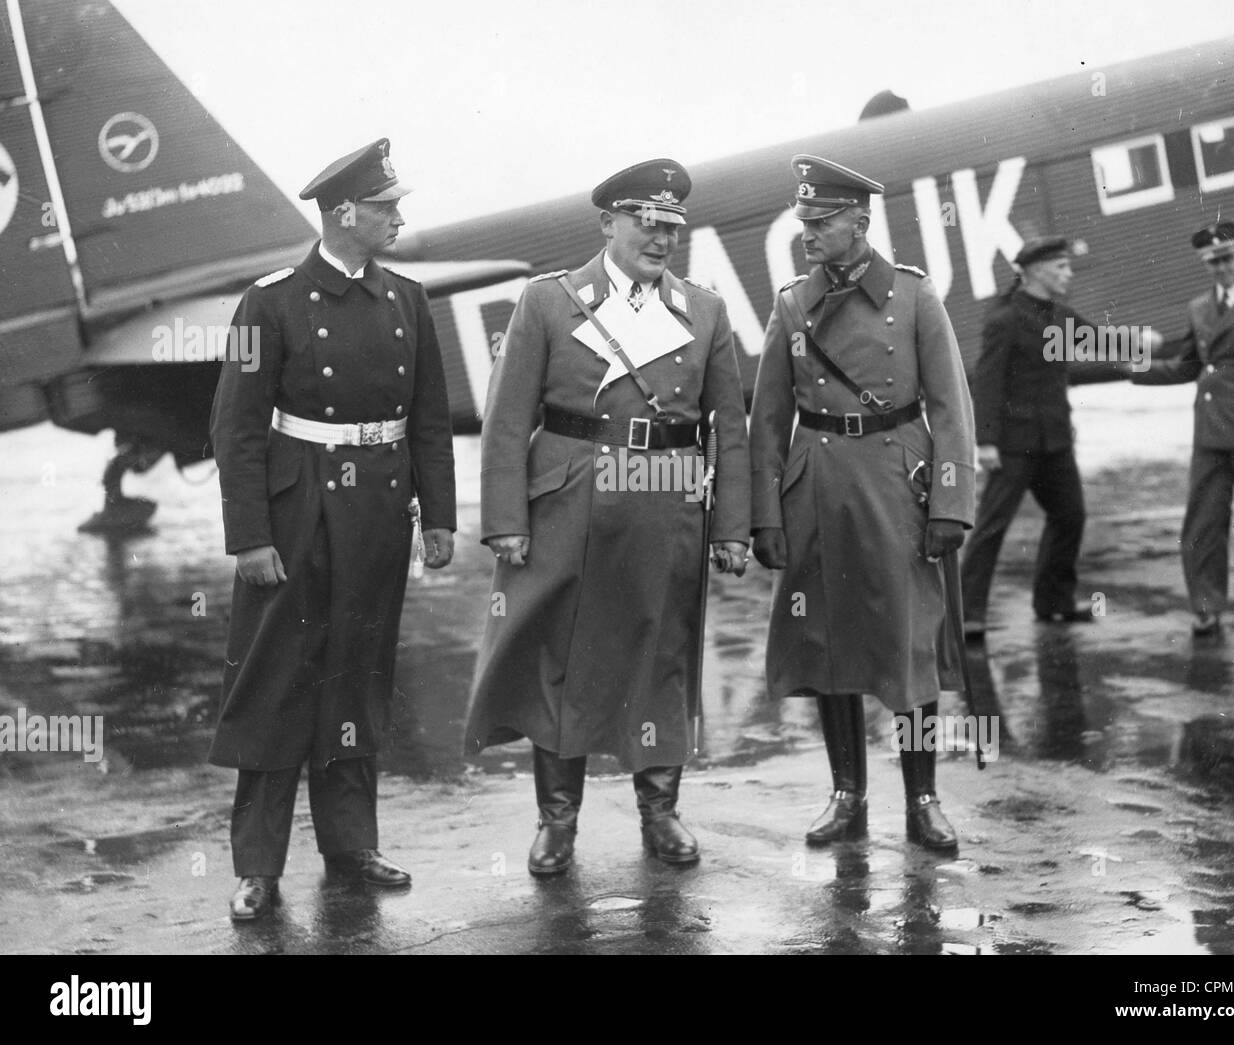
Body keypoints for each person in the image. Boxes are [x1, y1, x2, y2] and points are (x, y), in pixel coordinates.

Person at [464, 158, 750, 876]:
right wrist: (507, 516)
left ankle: (660, 812)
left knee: (664, 655)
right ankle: (558, 821)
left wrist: (734, 527)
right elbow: (506, 420)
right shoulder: (549, 302)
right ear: (608, 224)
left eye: (671, 227)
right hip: (570, 500)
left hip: (668, 499)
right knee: (560, 658)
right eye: (644, 223)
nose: (659, 239)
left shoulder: (705, 311)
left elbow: (730, 428)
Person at [208, 139, 457, 921]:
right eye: (386, 207)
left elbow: (428, 417)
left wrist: (440, 517)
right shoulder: (268, 302)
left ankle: (351, 845)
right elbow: (236, 426)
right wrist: (249, 533)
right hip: (298, 509)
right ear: (343, 212)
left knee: (357, 674)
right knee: (276, 681)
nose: (398, 219)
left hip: (379, 511)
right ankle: (257, 865)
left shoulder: (408, 300)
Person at [749, 154, 975, 852]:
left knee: (910, 644)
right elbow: (766, 419)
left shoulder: (913, 297)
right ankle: (847, 794)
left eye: (821, 222)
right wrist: (764, 514)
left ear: (860, 221)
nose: (808, 233)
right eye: (805, 221)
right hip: (818, 486)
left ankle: (924, 797)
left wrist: (950, 503)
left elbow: (951, 406)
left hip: (896, 480)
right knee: (827, 644)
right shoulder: (792, 302)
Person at [960, 237, 1137, 638]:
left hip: (1054, 441)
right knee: (992, 527)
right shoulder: (1004, 319)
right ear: (1036, 270)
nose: (1068, 274)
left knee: (1070, 514)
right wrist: (985, 442)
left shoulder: (1059, 316)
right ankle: (968, 614)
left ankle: (1054, 603)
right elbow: (987, 383)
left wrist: (1155, 348)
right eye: (1061, 268)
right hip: (1014, 444)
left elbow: (1103, 342)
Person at [1131, 220, 1234, 636]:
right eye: (1212, 262)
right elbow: (1189, 364)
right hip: (1211, 430)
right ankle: (1206, 606)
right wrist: (1133, 369)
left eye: (1227, 258)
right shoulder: (1199, 308)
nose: (1221, 268)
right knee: (1203, 521)